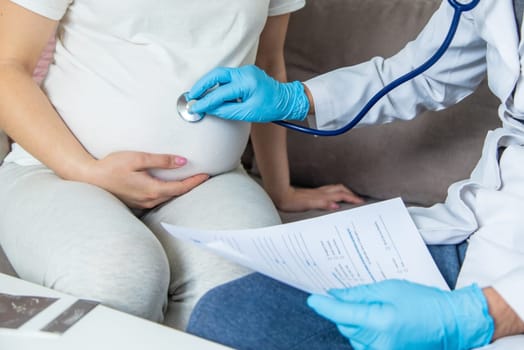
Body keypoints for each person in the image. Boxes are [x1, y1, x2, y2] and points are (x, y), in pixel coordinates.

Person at [0, 0, 363, 331]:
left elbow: (266, 69)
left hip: (208, 183)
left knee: (243, 293)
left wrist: (279, 189)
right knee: (117, 276)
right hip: (57, 174)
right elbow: (6, 66)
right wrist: (86, 170)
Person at [185, 0, 524, 348]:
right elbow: (424, 74)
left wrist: (482, 313)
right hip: (482, 227)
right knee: (230, 316)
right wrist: (297, 98)